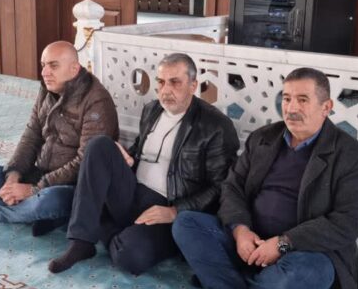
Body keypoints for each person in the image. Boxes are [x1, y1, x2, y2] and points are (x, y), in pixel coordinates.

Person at [172, 68, 358, 289]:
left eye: (303, 100)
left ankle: (223, 279)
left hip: (306, 252)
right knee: (186, 223)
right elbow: (232, 187)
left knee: (296, 280)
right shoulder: (263, 138)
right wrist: (241, 231)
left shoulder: (352, 156)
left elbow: (346, 223)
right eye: (287, 99)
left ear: (326, 107)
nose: (291, 108)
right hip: (252, 240)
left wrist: (282, 244)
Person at [48, 53, 239, 274]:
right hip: (132, 191)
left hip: (167, 207)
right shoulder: (152, 110)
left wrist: (175, 211)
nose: (166, 90)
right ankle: (81, 243)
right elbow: (142, 149)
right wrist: (128, 157)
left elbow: (221, 186)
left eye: (175, 82)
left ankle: (102, 223)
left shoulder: (216, 126)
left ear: (193, 85)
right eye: (161, 82)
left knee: (130, 256)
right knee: (99, 144)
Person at [0, 41, 119, 234]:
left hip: (72, 186)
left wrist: (33, 190)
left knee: (48, 200)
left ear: (74, 68)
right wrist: (13, 177)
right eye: (43, 65)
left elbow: (85, 162)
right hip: (39, 174)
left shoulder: (96, 100)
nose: (44, 72)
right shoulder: (47, 89)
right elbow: (31, 136)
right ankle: (42, 215)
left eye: (53, 66)